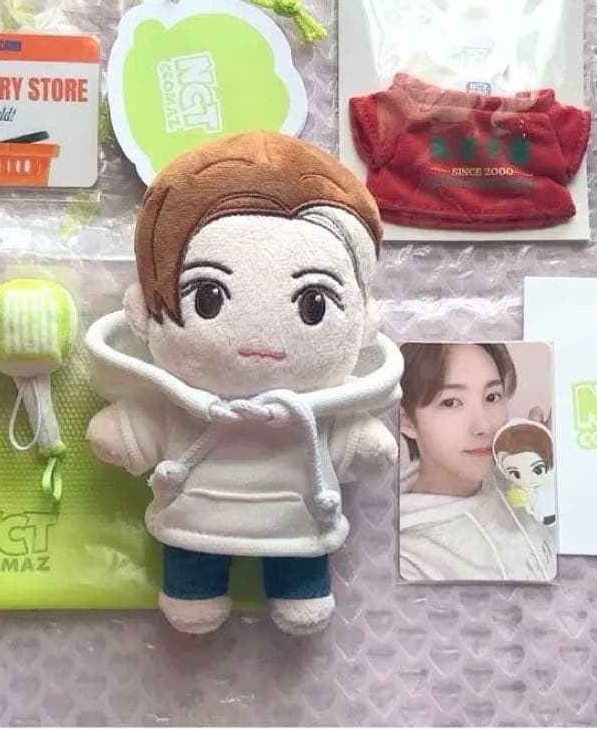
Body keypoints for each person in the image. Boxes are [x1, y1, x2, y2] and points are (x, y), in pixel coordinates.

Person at [85, 131, 402, 635]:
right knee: (191, 573)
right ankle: (195, 592)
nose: (258, 341)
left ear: (363, 323)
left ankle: (296, 591)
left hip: (298, 529)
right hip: (195, 526)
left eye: (313, 304)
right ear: (144, 312)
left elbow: (356, 444)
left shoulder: (315, 414)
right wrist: (127, 432)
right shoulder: (180, 401)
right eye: (207, 297)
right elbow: (143, 425)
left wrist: (361, 441)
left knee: (300, 580)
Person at [398, 342, 555, 582]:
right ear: (407, 421)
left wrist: (547, 468)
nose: (484, 426)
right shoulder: (407, 559)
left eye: (492, 397)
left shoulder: (518, 473)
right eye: (451, 402)